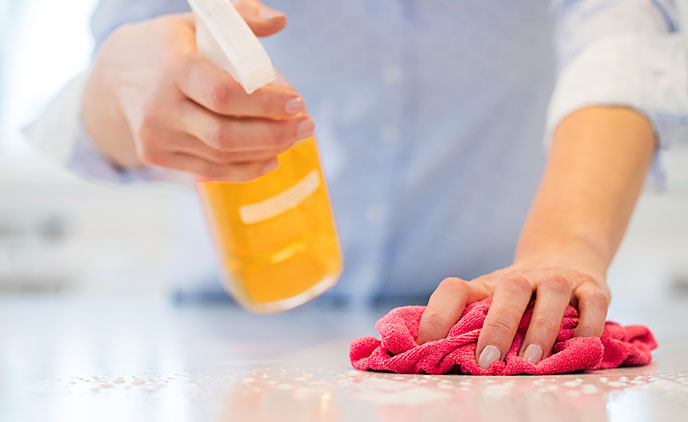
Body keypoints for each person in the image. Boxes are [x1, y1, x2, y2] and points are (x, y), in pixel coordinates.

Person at [26, 0, 688, 370]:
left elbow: (620, 41)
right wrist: (122, 86)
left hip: (487, 336)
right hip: (228, 337)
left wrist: (563, 246)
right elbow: (101, 106)